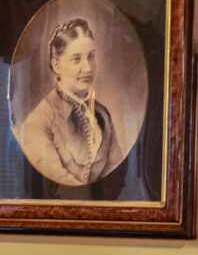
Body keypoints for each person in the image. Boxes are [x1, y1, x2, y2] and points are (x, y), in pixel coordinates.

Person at [18, 18, 125, 186]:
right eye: (76, 59)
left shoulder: (102, 115)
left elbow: (117, 175)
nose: (88, 68)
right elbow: (59, 184)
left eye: (91, 57)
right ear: (57, 65)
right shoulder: (39, 121)